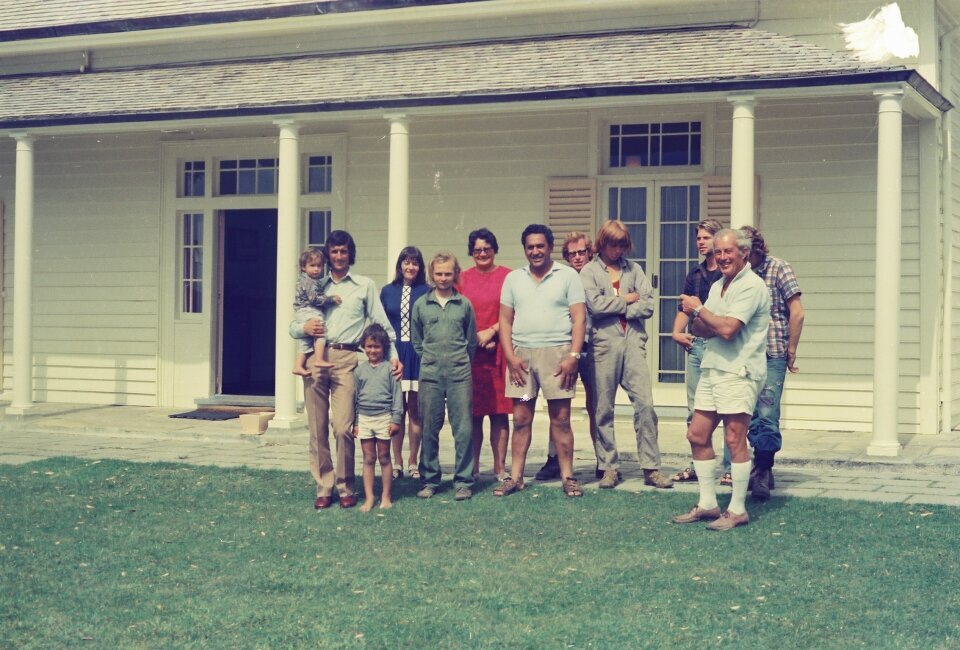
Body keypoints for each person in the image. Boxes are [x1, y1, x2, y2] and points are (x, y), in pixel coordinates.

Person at [290, 230, 401, 510]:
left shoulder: (364, 286)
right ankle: (324, 486)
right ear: (327, 255)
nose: (339, 257)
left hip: (348, 358)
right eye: (334, 252)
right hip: (317, 359)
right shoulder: (315, 284)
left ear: (351, 254)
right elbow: (295, 321)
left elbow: (381, 324)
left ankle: (346, 485)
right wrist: (303, 328)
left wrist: (394, 356)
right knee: (317, 429)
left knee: (342, 427)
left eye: (343, 251)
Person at [673, 228, 770, 530]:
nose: (723, 257)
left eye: (728, 251)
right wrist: (706, 318)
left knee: (734, 439)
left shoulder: (752, 286)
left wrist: (700, 311)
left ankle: (738, 509)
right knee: (697, 435)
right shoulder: (718, 286)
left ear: (743, 253)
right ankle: (708, 504)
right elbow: (702, 328)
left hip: (739, 371)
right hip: (713, 367)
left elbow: (728, 329)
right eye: (718, 252)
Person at [580, 220, 673, 490]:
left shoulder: (634, 269)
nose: (617, 249)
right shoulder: (589, 271)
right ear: (602, 243)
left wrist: (622, 307)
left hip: (633, 342)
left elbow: (649, 305)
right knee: (603, 408)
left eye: (622, 244)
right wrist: (627, 300)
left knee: (645, 404)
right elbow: (595, 307)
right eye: (612, 244)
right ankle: (609, 467)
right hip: (603, 343)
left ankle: (651, 467)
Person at [495, 224, 586, 498]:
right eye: (530, 247)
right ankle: (516, 477)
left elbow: (579, 318)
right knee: (522, 417)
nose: (535, 251)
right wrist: (511, 357)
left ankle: (568, 476)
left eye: (540, 246)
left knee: (560, 418)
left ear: (549, 247)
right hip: (523, 361)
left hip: (556, 358)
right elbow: (504, 320)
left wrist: (573, 355)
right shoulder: (513, 279)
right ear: (525, 249)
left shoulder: (567, 276)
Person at [741, 226, 805, 501]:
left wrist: (791, 349)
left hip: (772, 351)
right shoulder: (738, 273)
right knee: (748, 414)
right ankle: (759, 465)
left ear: (755, 249)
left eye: (745, 252)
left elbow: (797, 313)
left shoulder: (779, 268)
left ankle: (764, 470)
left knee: (766, 413)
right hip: (743, 353)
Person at [412, 251, 478, 501]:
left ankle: (463, 481)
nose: (443, 278)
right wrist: (431, 359)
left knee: (463, 430)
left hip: (460, 374)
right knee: (429, 428)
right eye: (438, 273)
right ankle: (430, 479)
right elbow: (418, 342)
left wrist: (458, 361)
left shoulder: (464, 304)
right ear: (431, 274)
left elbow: (471, 341)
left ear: (455, 274)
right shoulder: (421, 305)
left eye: (448, 273)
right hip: (430, 374)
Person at [535, 231, 600, 481]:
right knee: (558, 405)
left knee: (596, 405)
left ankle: (602, 460)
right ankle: (554, 458)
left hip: (593, 347)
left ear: (589, 252)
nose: (577, 257)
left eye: (581, 252)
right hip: (565, 348)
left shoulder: (595, 275)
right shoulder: (560, 277)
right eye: (571, 254)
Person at [670, 219, 731, 485]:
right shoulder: (694, 275)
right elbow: (685, 307)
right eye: (699, 238)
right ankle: (698, 464)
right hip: (697, 346)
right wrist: (675, 332)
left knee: (729, 408)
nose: (701, 242)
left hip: (721, 345)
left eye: (706, 237)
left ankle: (730, 467)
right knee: (694, 409)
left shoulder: (728, 274)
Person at [458, 228, 513, 481]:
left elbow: (514, 312)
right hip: (471, 354)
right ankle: (474, 467)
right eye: (477, 249)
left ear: (494, 249)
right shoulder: (462, 278)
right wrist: (476, 341)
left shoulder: (508, 277)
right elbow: (458, 315)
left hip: (500, 352)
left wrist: (491, 333)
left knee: (500, 412)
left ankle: (500, 468)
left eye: (487, 248)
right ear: (471, 252)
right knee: (473, 414)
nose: (482, 253)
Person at [380, 246, 430, 480]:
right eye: (406, 262)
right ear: (400, 265)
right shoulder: (387, 291)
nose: (410, 267)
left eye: (415, 263)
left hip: (418, 353)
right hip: (395, 353)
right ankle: (397, 461)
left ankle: (413, 461)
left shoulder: (427, 291)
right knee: (396, 411)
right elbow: (380, 323)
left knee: (416, 411)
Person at [352, 324, 403, 512]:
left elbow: (397, 396)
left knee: (384, 457)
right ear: (364, 347)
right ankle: (369, 498)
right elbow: (355, 399)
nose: (373, 350)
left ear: (384, 348)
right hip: (365, 418)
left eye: (377, 347)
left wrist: (395, 419)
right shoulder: (359, 371)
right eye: (369, 346)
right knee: (368, 458)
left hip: (384, 418)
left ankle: (386, 496)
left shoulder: (390, 369)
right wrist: (356, 423)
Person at [292, 248, 341, 375]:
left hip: (302, 311)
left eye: (319, 266)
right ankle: (319, 359)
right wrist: (331, 299)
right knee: (320, 331)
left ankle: (298, 366)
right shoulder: (309, 282)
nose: (316, 269)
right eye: (312, 265)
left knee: (306, 341)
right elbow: (314, 299)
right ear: (303, 267)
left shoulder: (307, 280)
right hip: (309, 309)